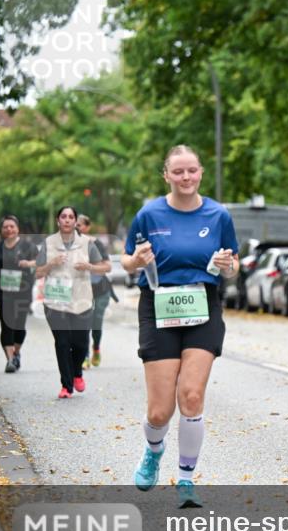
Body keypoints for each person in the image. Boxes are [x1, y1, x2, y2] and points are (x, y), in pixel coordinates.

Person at [122, 145, 238, 508]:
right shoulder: (149, 214)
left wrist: (226, 264)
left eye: (192, 171)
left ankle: (186, 478)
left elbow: (233, 267)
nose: (186, 177)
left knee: (191, 395)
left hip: (204, 304)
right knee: (159, 411)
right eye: (178, 172)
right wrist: (137, 260)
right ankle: (153, 451)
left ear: (200, 172)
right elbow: (127, 262)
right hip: (158, 306)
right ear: (167, 175)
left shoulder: (218, 215)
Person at [35, 206, 111, 397]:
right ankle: (66, 386)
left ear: (75, 221)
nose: (67, 220)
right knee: (62, 342)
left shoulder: (87, 243)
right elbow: (36, 272)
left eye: (71, 217)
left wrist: (89, 266)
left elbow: (106, 267)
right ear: (57, 221)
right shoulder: (49, 243)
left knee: (80, 344)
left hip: (81, 300)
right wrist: (51, 264)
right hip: (55, 301)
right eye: (63, 216)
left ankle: (77, 372)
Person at [0, 215, 38, 372]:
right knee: (6, 325)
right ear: (1, 230)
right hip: (2, 290)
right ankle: (10, 360)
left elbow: (40, 261)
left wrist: (28, 263)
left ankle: (16, 353)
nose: (9, 229)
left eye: (12, 226)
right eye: (5, 227)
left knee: (19, 326)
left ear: (17, 229)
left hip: (22, 290)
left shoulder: (28, 246)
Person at [76, 215, 116, 368]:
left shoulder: (96, 243)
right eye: (75, 224)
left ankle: (96, 348)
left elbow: (108, 267)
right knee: (83, 324)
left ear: (87, 227)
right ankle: (84, 356)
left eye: (80, 225)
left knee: (96, 324)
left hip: (100, 290)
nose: (77, 227)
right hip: (81, 292)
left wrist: (89, 267)